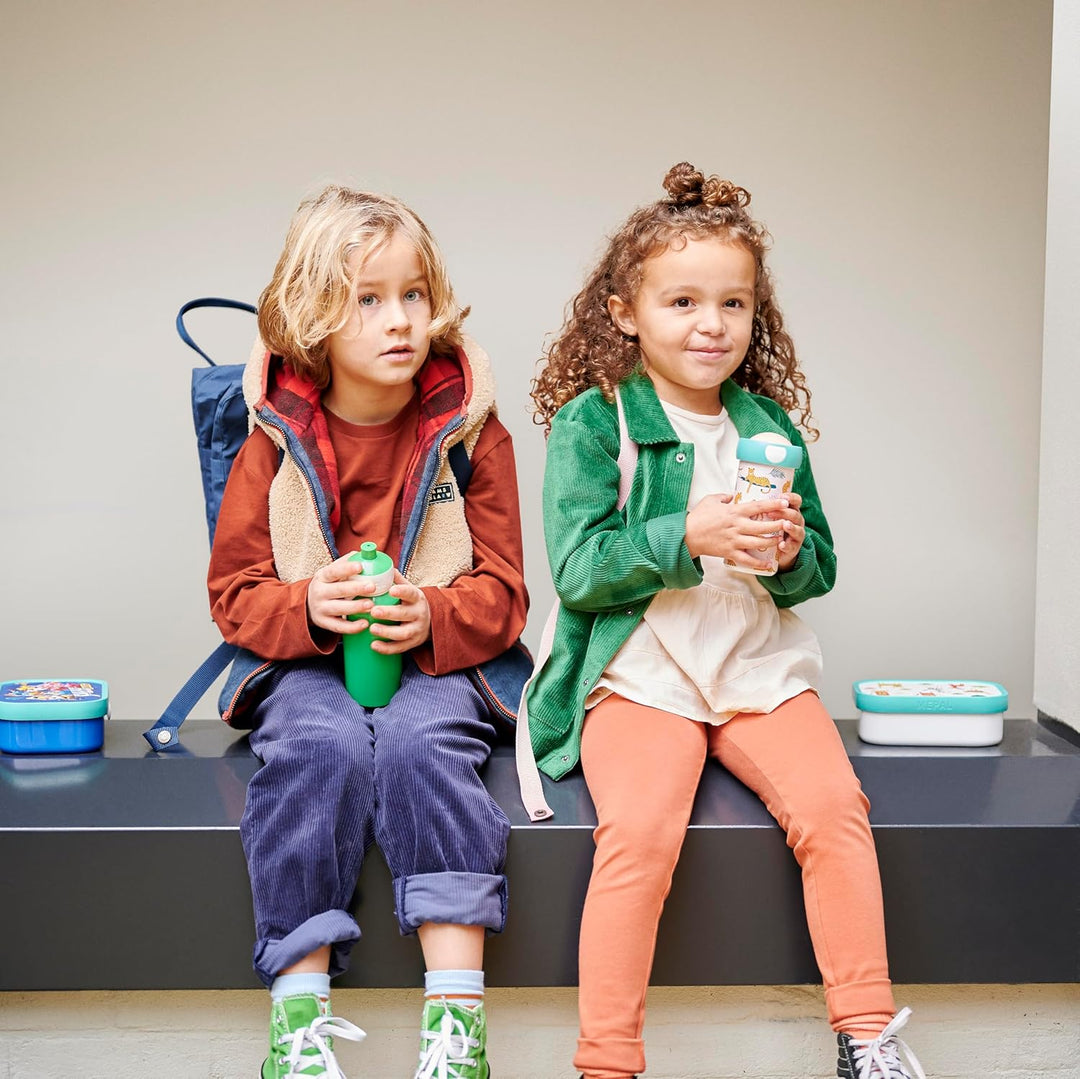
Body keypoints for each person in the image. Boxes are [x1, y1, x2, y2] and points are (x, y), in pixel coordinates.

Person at [521, 163, 925, 1079]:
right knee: (640, 835)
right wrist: (685, 533)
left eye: (734, 304)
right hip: (643, 672)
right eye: (684, 301)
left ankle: (866, 1034)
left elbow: (817, 561)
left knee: (834, 810)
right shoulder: (598, 422)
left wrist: (786, 557)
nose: (712, 324)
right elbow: (580, 570)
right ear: (626, 312)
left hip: (752, 667)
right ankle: (607, 1061)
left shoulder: (766, 419)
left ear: (756, 315)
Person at [208, 184, 530, 1079]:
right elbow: (234, 592)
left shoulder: (470, 432)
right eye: (369, 299)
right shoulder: (273, 437)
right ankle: (299, 1024)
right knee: (318, 746)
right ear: (314, 318)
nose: (401, 320)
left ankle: (457, 1026)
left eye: (415, 295)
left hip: (439, 660)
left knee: (427, 746)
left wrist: (436, 611)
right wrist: (307, 605)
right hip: (308, 661)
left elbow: (505, 591)